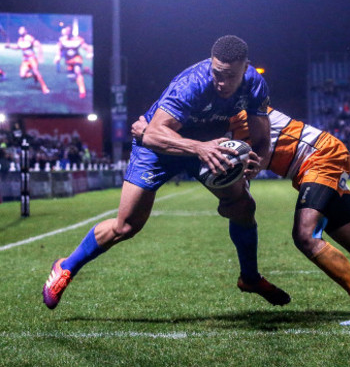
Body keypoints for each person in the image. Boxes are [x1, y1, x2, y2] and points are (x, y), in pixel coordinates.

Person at [135, 106, 350, 325]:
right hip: (311, 165)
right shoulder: (225, 127)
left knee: (305, 236)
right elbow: (245, 174)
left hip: (321, 157)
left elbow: (247, 164)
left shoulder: (240, 117)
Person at [42, 35, 290, 310]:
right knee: (126, 226)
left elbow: (263, 140)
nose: (221, 82)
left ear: (245, 68)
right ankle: (66, 266)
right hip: (160, 149)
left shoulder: (255, 84)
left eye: (229, 76)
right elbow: (151, 134)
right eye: (217, 73)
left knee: (243, 206)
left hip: (206, 147)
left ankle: (250, 278)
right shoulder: (192, 83)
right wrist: (198, 148)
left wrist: (258, 161)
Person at [4, 26, 50, 94]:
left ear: (25, 31)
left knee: (36, 71)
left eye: (22, 30)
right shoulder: (20, 39)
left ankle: (44, 87)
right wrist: (9, 46)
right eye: (19, 30)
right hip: (25, 60)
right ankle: (33, 75)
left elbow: (39, 45)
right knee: (22, 76)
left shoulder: (29, 38)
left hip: (32, 59)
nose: (20, 31)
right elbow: (18, 47)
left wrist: (40, 57)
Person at [54, 25, 93, 98]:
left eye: (69, 30)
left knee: (77, 71)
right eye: (67, 31)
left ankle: (82, 92)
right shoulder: (62, 40)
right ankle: (86, 71)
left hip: (76, 58)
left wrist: (90, 53)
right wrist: (57, 56)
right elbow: (58, 48)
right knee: (72, 78)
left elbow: (87, 47)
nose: (68, 32)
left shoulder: (78, 39)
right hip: (68, 61)